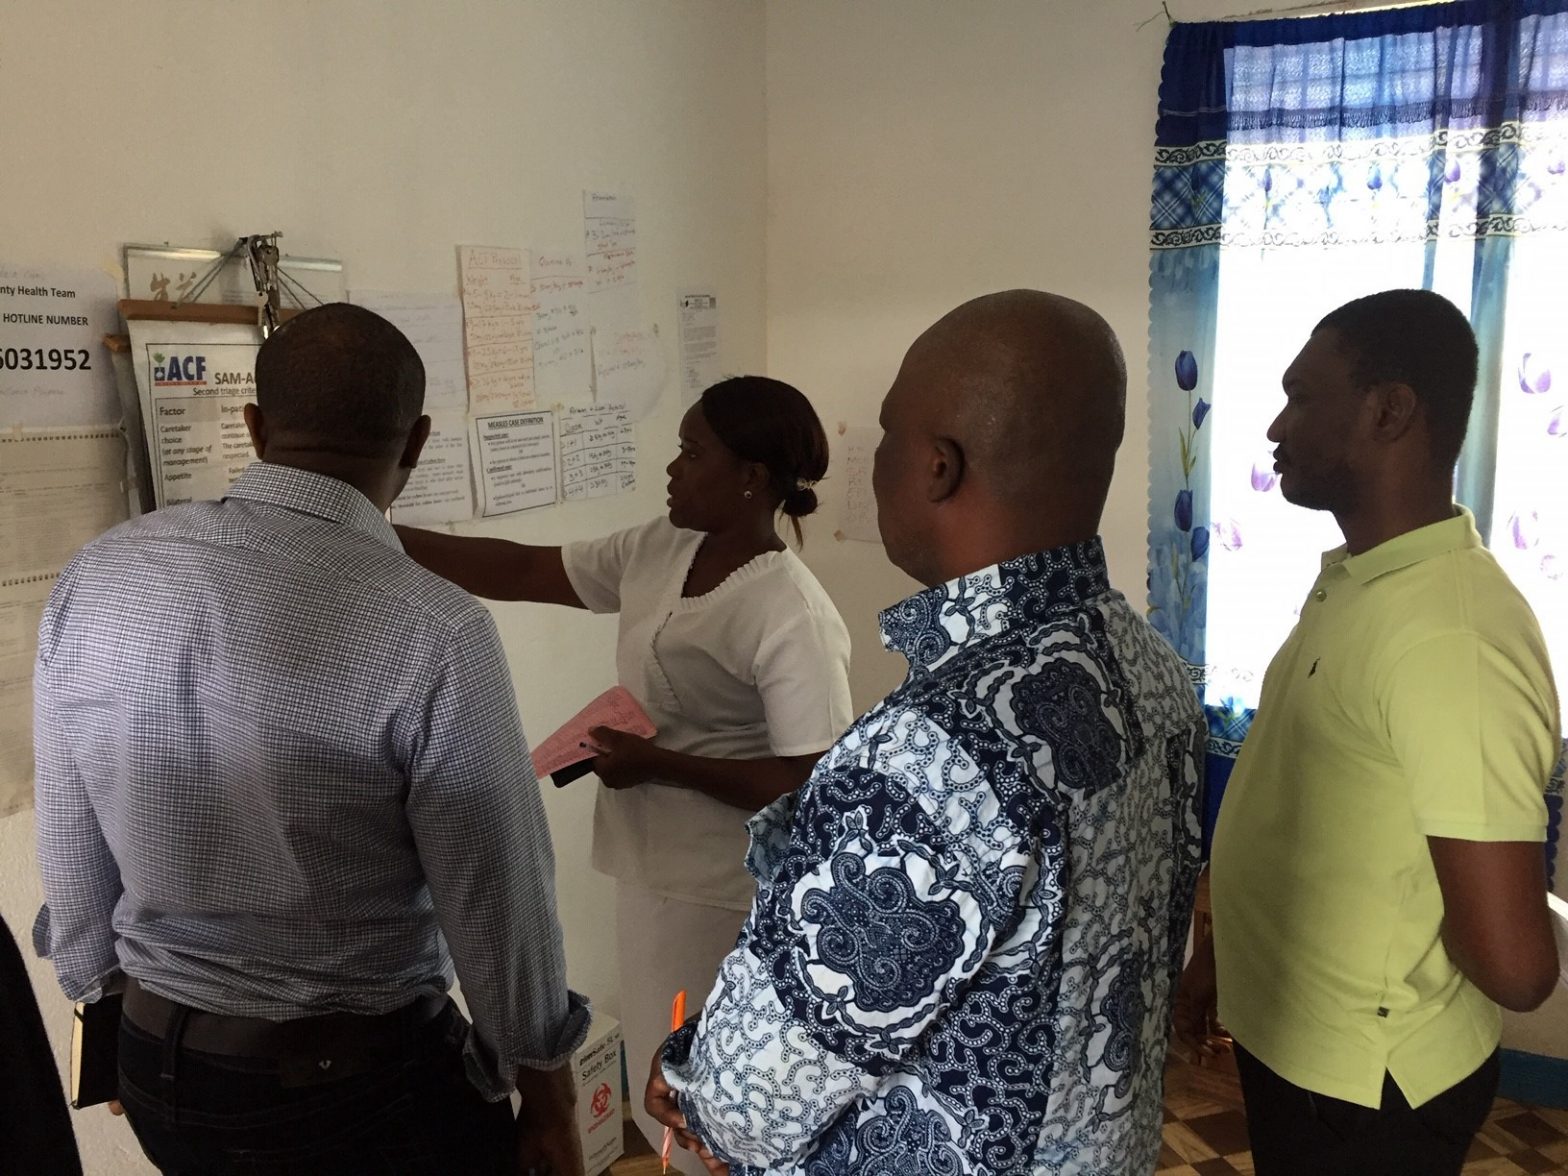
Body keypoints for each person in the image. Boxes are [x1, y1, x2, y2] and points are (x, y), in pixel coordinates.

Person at [645, 290, 1206, 1175]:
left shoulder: (932, 752)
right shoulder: (1154, 672)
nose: (875, 462)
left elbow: (754, 1095)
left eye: (886, 436)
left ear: (938, 467)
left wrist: (693, 1083)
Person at [33, 302, 588, 1176]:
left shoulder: (98, 574)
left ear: (255, 428)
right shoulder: (435, 627)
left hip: (154, 1060)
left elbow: (69, 841)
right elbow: (498, 898)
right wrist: (548, 1094)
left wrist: (108, 1016)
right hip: (352, 1095)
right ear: (417, 442)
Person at [397, 374, 853, 1174]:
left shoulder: (790, 610)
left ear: (751, 476)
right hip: (648, 862)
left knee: (699, 1087)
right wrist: (376, 534)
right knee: (657, 1060)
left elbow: (814, 778)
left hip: (721, 885)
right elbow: (525, 570)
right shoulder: (661, 548)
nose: (671, 468)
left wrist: (659, 764)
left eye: (692, 453)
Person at [1177, 289, 1561, 1176]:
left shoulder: (1451, 636)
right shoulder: (1363, 582)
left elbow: (1515, 966)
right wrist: (1226, 957)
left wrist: (1395, 957)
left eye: (1301, 397)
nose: (1276, 428)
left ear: (1389, 411)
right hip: (1303, 1051)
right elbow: (1312, 812)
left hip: (1370, 1089)